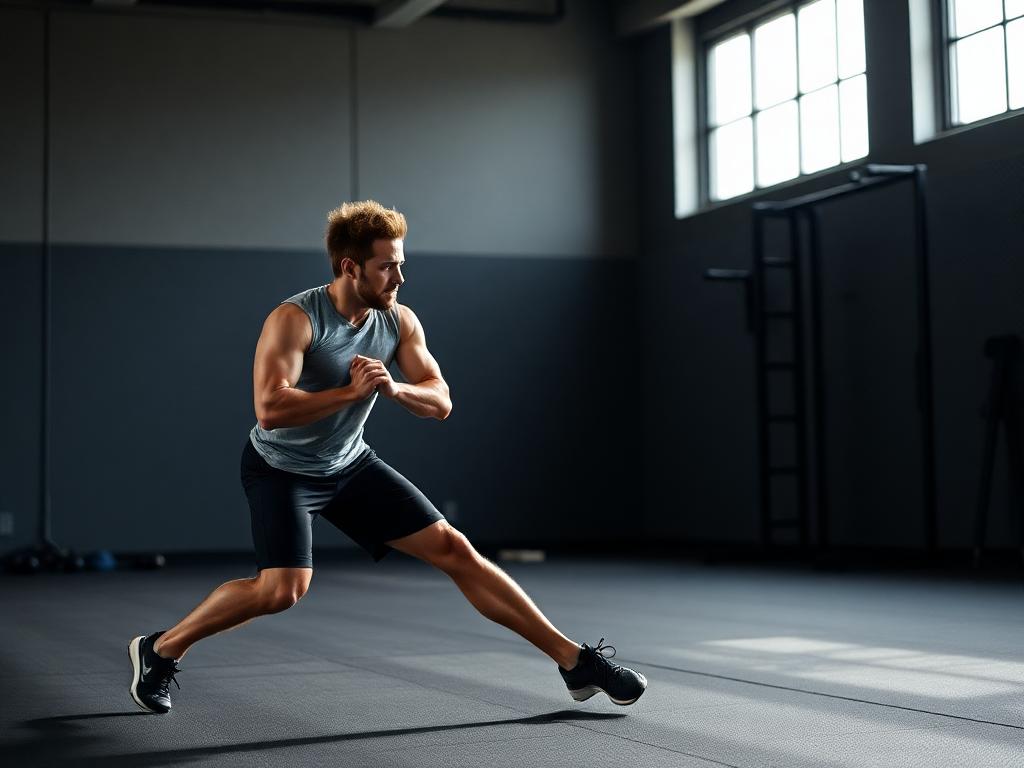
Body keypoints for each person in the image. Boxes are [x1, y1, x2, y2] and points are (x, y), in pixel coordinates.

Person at [128, 201, 647, 714]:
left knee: (455, 549)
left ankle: (574, 663)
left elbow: (440, 400)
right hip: (281, 469)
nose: (399, 276)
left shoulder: (398, 320)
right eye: (387, 265)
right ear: (350, 268)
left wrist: (394, 390)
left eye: (401, 262)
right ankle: (160, 649)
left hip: (349, 464)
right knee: (281, 591)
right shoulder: (295, 319)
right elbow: (270, 408)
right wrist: (350, 394)